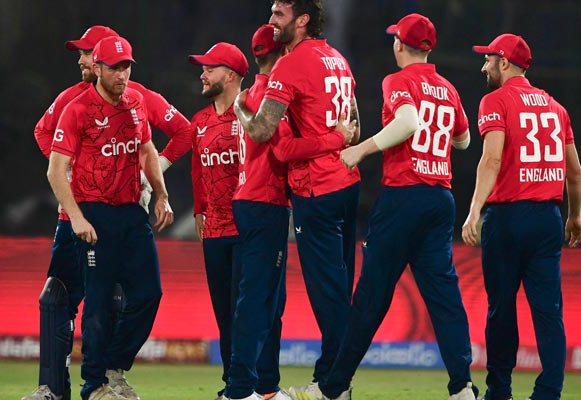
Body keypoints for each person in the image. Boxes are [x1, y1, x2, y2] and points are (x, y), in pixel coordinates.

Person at [303, 14, 477, 400]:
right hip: (439, 198)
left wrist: (359, 150)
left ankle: (333, 388)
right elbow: (463, 140)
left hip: (404, 197)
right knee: (445, 298)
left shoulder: (397, 80)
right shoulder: (447, 88)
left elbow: (409, 121)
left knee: (370, 298)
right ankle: (462, 387)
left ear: (400, 44)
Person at [24, 25, 190, 400]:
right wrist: (73, 186)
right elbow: (43, 139)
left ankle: (110, 371)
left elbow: (170, 138)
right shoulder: (73, 102)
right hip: (84, 215)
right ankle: (65, 387)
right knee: (67, 299)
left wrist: (157, 188)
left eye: (84, 52)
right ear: (99, 67)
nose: (80, 60)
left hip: (129, 210)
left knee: (140, 295)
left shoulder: (137, 98)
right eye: (86, 56)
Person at [234, 2, 361, 394]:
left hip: (316, 190)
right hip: (348, 184)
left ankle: (334, 385)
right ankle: (331, 377)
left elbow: (262, 133)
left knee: (328, 296)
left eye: (278, 14)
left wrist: (239, 108)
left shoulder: (290, 64)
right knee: (340, 289)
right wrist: (338, 139)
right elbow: (355, 125)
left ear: (302, 20)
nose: (272, 21)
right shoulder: (338, 59)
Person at [462, 33, 581, 400]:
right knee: (548, 312)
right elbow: (574, 172)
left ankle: (499, 391)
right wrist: (574, 216)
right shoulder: (556, 108)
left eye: (488, 60)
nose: (484, 66)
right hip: (548, 217)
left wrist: (474, 210)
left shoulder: (494, 101)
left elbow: (493, 158)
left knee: (501, 309)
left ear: (504, 62)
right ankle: (549, 392)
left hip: (508, 219)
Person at [187, 41, 248, 400]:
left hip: (248, 227)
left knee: (249, 312)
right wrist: (199, 209)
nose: (202, 73)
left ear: (230, 74)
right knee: (224, 313)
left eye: (209, 68)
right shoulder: (200, 121)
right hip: (215, 231)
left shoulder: (254, 115)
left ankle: (253, 380)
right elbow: (197, 170)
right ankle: (232, 383)